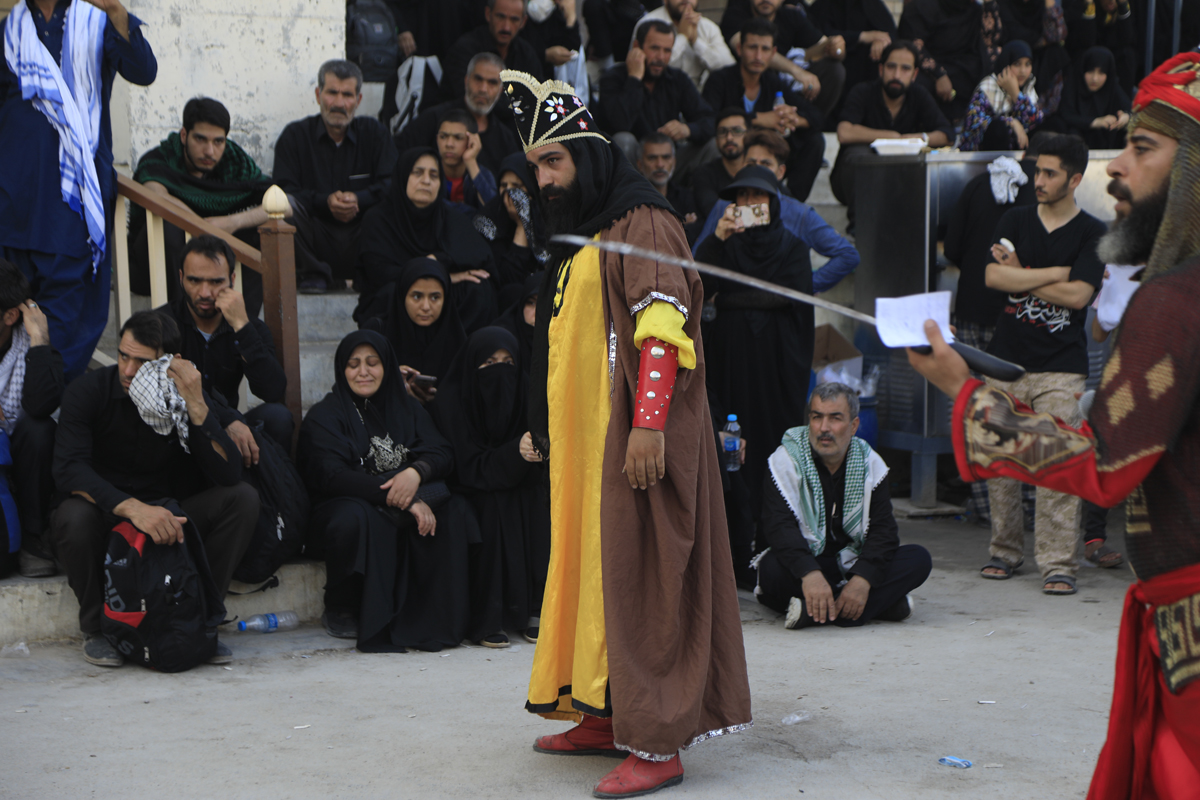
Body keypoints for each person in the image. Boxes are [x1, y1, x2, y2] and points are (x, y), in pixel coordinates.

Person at [908, 52, 1200, 800]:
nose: (1117, 170)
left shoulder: (1174, 302)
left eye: (1142, 148)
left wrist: (967, 395)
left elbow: (1103, 464)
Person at [500, 69, 751, 797]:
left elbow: (662, 325)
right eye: (535, 165)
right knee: (596, 576)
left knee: (647, 582)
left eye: (554, 161)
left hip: (637, 442)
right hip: (586, 455)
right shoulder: (588, 229)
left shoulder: (643, 221)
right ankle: (603, 711)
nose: (544, 179)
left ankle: (656, 740)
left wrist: (648, 426)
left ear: (588, 155)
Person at [51, 310, 256, 667]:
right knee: (73, 517)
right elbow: (69, 470)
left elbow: (228, 473)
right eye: (123, 356)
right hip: (106, 511)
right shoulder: (88, 391)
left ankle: (200, 618)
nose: (128, 370)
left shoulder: (180, 395)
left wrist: (197, 404)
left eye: (141, 362)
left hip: (167, 514)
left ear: (168, 363)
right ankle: (96, 629)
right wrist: (134, 509)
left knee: (242, 499)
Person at [976, 134, 1105, 595]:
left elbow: (1080, 295)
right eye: (1037, 171)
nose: (1039, 180)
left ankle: (1058, 563)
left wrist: (1022, 273)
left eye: (1050, 173)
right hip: (1004, 360)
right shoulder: (1014, 218)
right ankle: (1004, 552)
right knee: (1000, 462)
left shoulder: (1093, 233)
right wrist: (1051, 273)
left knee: (1058, 463)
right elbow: (994, 276)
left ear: (1075, 179)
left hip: (1062, 366)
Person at [1, 0, 157, 381]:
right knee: (7, 304)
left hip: (69, 202)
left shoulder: (97, 22)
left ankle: (40, 401)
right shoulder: (9, 30)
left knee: (65, 311)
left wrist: (117, 13)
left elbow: (143, 71)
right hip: (13, 197)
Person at [298, 330, 472, 651]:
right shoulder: (325, 415)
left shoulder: (407, 408)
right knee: (356, 517)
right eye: (353, 364)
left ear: (387, 366)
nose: (363, 372)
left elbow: (441, 451)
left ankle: (434, 613)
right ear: (341, 369)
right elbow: (333, 476)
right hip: (344, 507)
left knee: (456, 508)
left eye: (372, 363)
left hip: (399, 499)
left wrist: (416, 473)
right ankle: (342, 605)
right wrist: (405, 498)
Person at [696, 165, 825, 524]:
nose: (749, 202)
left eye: (757, 195)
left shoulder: (792, 247)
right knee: (732, 441)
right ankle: (736, 531)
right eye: (742, 196)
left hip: (775, 363)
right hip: (731, 360)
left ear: (773, 202)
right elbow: (697, 286)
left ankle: (774, 530)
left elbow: (787, 298)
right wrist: (717, 237)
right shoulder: (725, 245)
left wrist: (728, 300)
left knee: (772, 440)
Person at [755, 382, 932, 627]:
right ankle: (870, 608)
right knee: (770, 568)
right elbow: (778, 527)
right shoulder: (785, 461)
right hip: (804, 564)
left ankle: (812, 612)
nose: (823, 428)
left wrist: (862, 580)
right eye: (817, 417)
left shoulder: (870, 463)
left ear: (854, 426)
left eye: (835, 418)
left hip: (851, 564)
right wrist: (809, 573)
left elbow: (883, 531)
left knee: (918, 559)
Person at [942, 135, 1052, 527]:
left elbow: (951, 248)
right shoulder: (1045, 196)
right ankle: (1028, 505)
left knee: (978, 406)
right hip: (1021, 314)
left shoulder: (977, 186)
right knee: (1022, 407)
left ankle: (988, 507)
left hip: (973, 309)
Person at [131, 97, 326, 308]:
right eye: (200, 139)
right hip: (154, 266)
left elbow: (283, 204)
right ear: (184, 135)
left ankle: (242, 319)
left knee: (262, 229)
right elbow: (159, 197)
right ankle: (182, 316)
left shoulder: (235, 162)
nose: (209, 151)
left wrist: (231, 223)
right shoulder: (161, 159)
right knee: (169, 226)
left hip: (217, 257)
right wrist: (204, 228)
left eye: (218, 142)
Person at [429, 326, 550, 647]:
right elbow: (464, 465)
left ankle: (536, 608)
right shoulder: (451, 401)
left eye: (508, 363)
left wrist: (534, 450)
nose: (500, 372)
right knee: (493, 505)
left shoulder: (528, 395)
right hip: (469, 488)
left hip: (518, 484)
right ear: (472, 365)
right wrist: (513, 453)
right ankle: (488, 616)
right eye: (489, 363)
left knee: (537, 499)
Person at [157, 235, 292, 453]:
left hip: (229, 433)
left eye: (216, 282)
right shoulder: (160, 324)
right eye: (195, 281)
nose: (205, 293)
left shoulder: (248, 327)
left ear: (232, 280)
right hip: (179, 432)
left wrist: (241, 327)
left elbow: (273, 390)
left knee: (278, 418)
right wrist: (226, 420)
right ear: (181, 278)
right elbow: (160, 395)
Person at [273, 60, 397, 290]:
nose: (339, 103)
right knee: (282, 205)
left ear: (358, 100)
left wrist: (359, 199)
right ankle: (313, 273)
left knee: (394, 205)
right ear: (318, 95)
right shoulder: (295, 136)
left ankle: (370, 274)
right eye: (332, 93)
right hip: (314, 237)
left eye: (347, 95)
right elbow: (283, 188)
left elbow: (392, 184)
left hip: (362, 238)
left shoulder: (375, 134)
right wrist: (325, 202)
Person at [693, 130, 860, 299]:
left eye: (765, 164)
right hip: (733, 304)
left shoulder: (799, 214)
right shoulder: (726, 207)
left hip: (780, 307)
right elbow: (695, 262)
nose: (758, 171)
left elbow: (847, 255)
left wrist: (804, 286)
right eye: (751, 164)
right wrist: (717, 239)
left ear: (780, 172)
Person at [355, 147, 497, 329]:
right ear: (402, 176)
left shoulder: (451, 218)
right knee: (392, 294)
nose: (426, 181)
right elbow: (379, 274)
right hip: (396, 294)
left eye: (434, 175)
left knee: (479, 288)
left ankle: (459, 345)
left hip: (443, 295)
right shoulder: (378, 219)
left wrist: (438, 264)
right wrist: (434, 273)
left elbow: (479, 256)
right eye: (418, 173)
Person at [832, 40, 954, 233]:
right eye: (891, 67)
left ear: (914, 74)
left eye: (905, 69)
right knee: (860, 153)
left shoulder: (919, 95)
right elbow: (844, 132)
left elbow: (947, 135)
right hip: (851, 184)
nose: (897, 75)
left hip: (898, 183)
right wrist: (891, 138)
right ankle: (861, 228)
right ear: (881, 69)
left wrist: (915, 138)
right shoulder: (863, 91)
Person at [703, 19, 826, 202]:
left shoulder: (771, 81)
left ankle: (793, 202)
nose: (758, 56)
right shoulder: (720, 80)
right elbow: (708, 120)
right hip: (731, 156)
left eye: (765, 49)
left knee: (815, 141)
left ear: (773, 53)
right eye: (752, 48)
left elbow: (816, 116)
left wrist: (791, 119)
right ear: (739, 49)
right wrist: (759, 118)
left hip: (767, 155)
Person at [0, 261, 64, 579]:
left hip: (15, 464)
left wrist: (39, 338)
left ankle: (31, 539)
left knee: (39, 430)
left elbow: (40, 406)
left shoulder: (29, 344)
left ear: (10, 316)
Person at [599, 20, 715, 168]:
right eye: (655, 48)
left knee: (712, 146)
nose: (661, 57)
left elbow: (709, 119)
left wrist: (688, 129)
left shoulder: (677, 79)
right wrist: (634, 79)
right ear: (637, 47)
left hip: (669, 162)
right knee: (624, 140)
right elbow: (619, 124)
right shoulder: (613, 78)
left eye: (667, 51)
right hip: (634, 166)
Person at [394, 53, 523, 177]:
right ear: (466, 80)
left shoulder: (505, 139)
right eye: (478, 79)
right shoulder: (433, 118)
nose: (483, 89)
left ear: (500, 90)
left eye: (492, 83)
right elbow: (397, 155)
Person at [721, 0, 848, 120]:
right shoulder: (735, 14)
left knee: (835, 69)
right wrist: (797, 72)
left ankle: (807, 122)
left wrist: (837, 48)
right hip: (748, 89)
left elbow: (824, 46)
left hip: (787, 89)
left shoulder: (791, 16)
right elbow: (753, 55)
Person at [366, 258, 469, 406]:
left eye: (435, 297)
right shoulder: (378, 333)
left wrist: (440, 401)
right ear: (403, 295)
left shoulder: (457, 340)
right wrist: (390, 378)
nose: (426, 306)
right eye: (417, 296)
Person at [898, 0, 995, 120]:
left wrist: (989, 5)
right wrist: (939, 74)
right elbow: (913, 46)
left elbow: (991, 40)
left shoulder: (973, 9)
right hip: (927, 69)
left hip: (961, 69)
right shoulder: (921, 7)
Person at [807, 0, 899, 115]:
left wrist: (881, 42)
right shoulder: (824, 5)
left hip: (865, 68)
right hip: (836, 68)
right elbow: (821, 36)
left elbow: (889, 34)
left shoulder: (870, 4)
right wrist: (862, 36)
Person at [442, 0, 545, 103]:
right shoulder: (465, 49)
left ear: (523, 22)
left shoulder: (526, 54)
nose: (506, 27)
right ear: (488, 14)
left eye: (514, 20)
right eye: (500, 17)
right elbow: (469, 98)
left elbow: (538, 97)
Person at [474, 152, 548, 288]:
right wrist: (521, 224)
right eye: (504, 185)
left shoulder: (548, 219)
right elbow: (510, 278)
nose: (509, 192)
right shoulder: (488, 220)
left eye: (517, 186)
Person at [959, 40, 1044, 151]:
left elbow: (1035, 120)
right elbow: (973, 124)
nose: (1023, 71)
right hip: (983, 153)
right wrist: (1011, 122)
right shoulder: (988, 86)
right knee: (998, 128)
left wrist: (1015, 93)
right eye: (1017, 64)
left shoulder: (1028, 86)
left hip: (1015, 151)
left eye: (1027, 64)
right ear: (1006, 63)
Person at [633, 0, 736, 90]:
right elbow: (642, 67)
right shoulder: (648, 24)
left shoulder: (708, 27)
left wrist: (696, 42)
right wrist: (683, 37)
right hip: (656, 95)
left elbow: (729, 70)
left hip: (696, 99)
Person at [997, 0, 1069, 115]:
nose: (1023, 71)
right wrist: (1044, 41)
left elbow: (1057, 36)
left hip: (1039, 56)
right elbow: (1014, 33)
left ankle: (1046, 109)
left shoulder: (1040, 4)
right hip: (1011, 54)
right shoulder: (1004, 4)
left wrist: (1050, 7)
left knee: (1057, 53)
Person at [1051, 46, 1130, 150]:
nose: (1095, 78)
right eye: (1090, 71)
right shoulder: (1072, 86)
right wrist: (1094, 122)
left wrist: (1125, 117)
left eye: (1101, 72)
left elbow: (1130, 108)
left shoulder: (1112, 87)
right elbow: (1066, 115)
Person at [637, 134, 701, 242]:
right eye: (652, 158)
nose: (660, 164)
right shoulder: (631, 200)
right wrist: (679, 227)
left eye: (666, 157)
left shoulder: (685, 196)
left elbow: (697, 232)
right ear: (639, 164)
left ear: (674, 162)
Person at [690, 108, 750, 218]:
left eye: (737, 131)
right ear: (716, 139)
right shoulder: (704, 174)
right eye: (722, 132)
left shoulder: (757, 169)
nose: (729, 137)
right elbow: (714, 212)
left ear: (748, 135)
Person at [435, 109, 498, 214]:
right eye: (443, 137)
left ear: (472, 141)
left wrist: (471, 162)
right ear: (437, 139)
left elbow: (495, 211)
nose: (449, 144)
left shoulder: (482, 173)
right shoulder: (428, 171)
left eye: (458, 138)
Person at [492, 270, 542, 376]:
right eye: (531, 303)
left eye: (545, 304)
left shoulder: (568, 339)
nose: (536, 313)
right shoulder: (503, 338)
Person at [520, 0, 583, 80]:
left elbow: (573, 49)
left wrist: (571, 17)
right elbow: (517, 49)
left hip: (550, 81)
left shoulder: (556, 12)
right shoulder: (521, 10)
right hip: (526, 78)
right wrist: (545, 55)